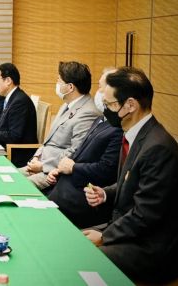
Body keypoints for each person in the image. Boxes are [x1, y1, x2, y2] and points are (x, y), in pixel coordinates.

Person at [83, 67, 178, 285]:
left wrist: (105, 236)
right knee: (75, 241)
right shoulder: (135, 134)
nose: (106, 110)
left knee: (86, 262)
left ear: (130, 105)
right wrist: (106, 193)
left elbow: (145, 214)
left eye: (110, 105)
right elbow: (131, 182)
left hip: (153, 248)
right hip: (129, 230)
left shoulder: (158, 149)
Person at [47, 68, 123, 228]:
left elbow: (106, 170)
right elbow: (80, 152)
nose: (98, 92)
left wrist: (73, 167)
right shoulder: (102, 120)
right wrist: (60, 169)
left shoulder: (118, 128)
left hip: (82, 197)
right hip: (63, 186)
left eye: (102, 87)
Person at [19, 61, 99, 190]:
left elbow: (76, 151)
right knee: (8, 176)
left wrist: (43, 166)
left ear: (70, 87)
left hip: (54, 172)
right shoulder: (66, 104)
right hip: (39, 164)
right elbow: (48, 141)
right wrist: (36, 157)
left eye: (59, 81)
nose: (56, 84)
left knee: (17, 186)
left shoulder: (88, 112)